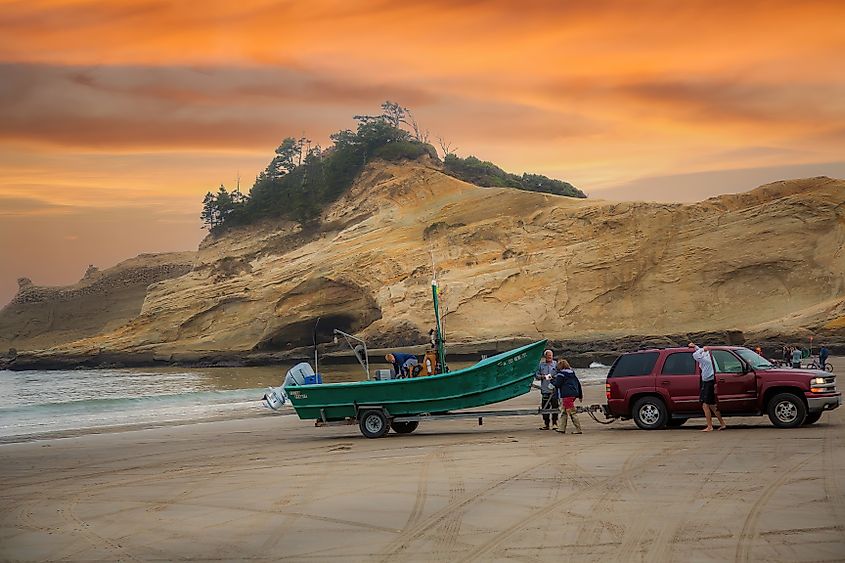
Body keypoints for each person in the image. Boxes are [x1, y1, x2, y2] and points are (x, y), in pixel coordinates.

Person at [689, 342, 726, 432]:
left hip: (708, 382)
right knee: (712, 405)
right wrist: (696, 347)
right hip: (709, 381)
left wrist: (701, 349)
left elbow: (696, 355)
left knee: (705, 405)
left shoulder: (706, 360)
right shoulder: (709, 356)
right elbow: (699, 352)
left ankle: (710, 426)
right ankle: (722, 423)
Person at [552, 359, 583, 434]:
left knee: (571, 412)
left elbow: (557, 384)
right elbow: (578, 383)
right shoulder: (572, 373)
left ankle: (578, 429)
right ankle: (561, 428)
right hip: (573, 393)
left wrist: (551, 380)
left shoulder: (561, 374)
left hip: (566, 395)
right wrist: (580, 395)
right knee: (564, 411)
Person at [534, 349, 559, 430]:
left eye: (550, 356)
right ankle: (546, 424)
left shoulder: (556, 364)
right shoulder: (541, 365)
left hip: (554, 390)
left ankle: (555, 423)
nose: (549, 357)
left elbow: (560, 374)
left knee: (555, 407)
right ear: (545, 356)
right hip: (545, 389)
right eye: (548, 356)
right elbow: (536, 375)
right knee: (545, 408)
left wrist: (554, 376)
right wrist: (543, 376)